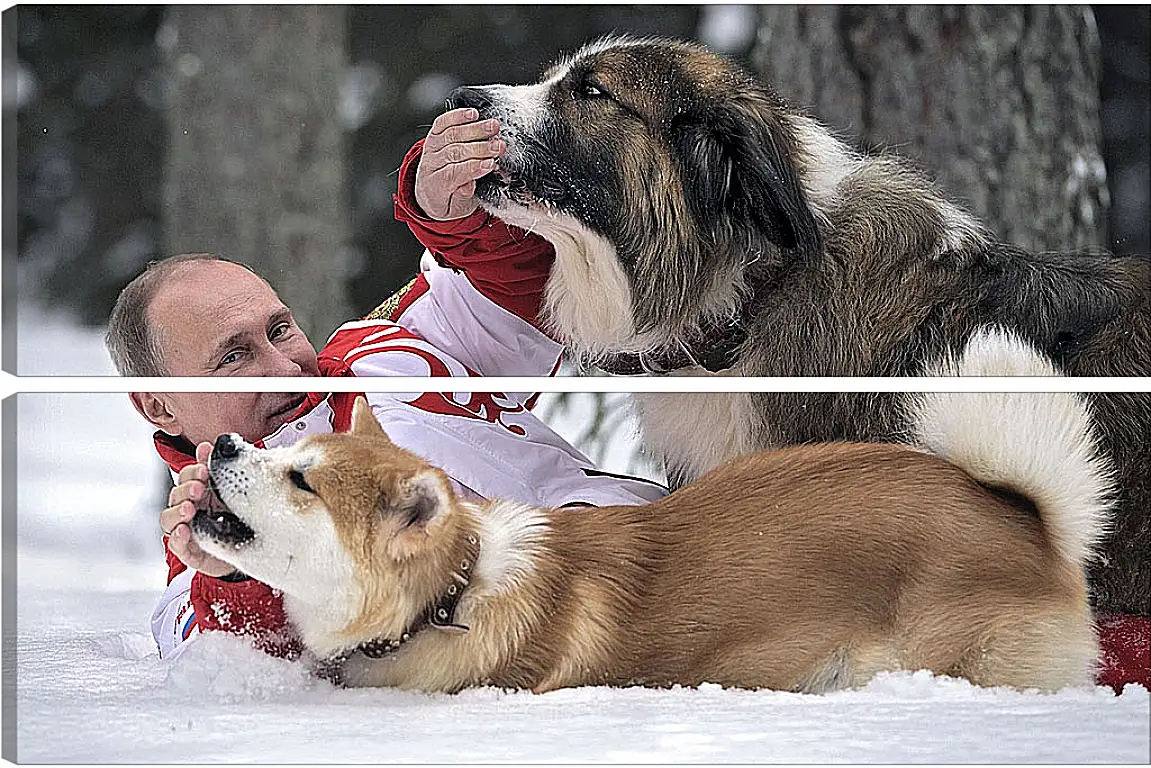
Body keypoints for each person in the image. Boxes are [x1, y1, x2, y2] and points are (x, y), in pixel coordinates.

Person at [107, 108, 667, 661]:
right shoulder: (201, 559)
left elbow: (528, 287)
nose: (284, 367)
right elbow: (231, 666)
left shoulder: (382, 350)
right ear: (160, 405)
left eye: (280, 329)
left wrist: (446, 209)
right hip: (558, 663)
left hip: (663, 550)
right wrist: (238, 564)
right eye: (234, 357)